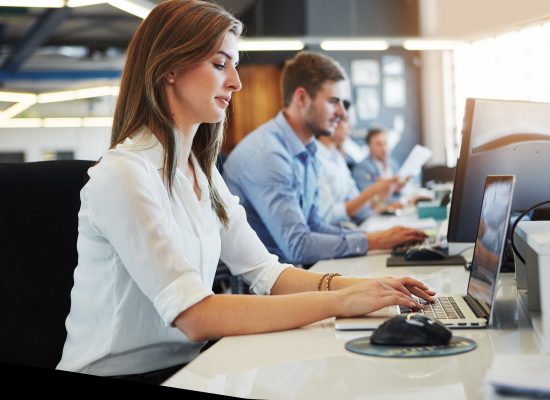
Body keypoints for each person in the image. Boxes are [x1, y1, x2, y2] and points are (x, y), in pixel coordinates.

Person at [56, 1, 434, 384]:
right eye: (221, 65)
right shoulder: (124, 174)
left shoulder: (202, 173)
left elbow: (266, 273)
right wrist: (340, 301)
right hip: (122, 375)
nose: (236, 82)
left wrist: (370, 288)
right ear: (169, 67)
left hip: (187, 368)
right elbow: (196, 315)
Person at [223, 51, 426, 266]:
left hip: (292, 273)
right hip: (263, 289)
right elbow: (298, 246)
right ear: (302, 98)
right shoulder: (268, 155)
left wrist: (373, 239)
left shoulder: (307, 149)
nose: (343, 114)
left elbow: (314, 224)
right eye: (333, 101)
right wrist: (376, 241)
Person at [316, 118, 397, 226]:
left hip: (357, 224)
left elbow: (362, 205)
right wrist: (372, 192)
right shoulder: (316, 160)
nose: (349, 126)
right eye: (344, 120)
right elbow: (327, 216)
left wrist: (384, 194)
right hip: (339, 231)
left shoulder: (338, 158)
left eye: (385, 143)